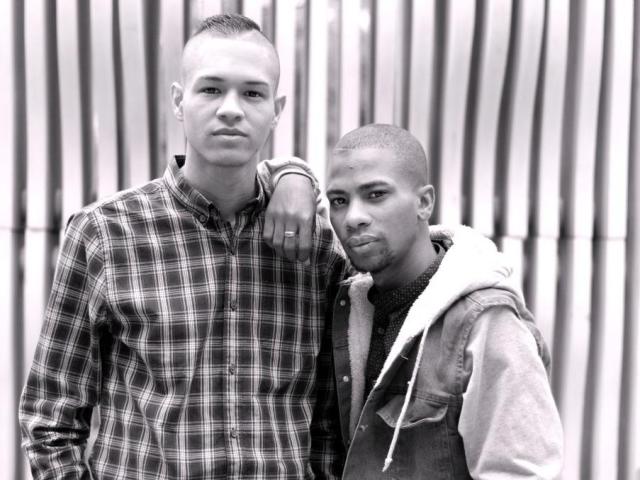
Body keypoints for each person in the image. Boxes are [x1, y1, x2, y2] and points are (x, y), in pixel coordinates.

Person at [19, 14, 347, 479]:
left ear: (277, 109)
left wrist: (296, 173)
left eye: (252, 93)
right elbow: (51, 419)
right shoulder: (104, 234)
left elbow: (331, 427)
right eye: (210, 89)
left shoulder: (317, 249)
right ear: (179, 100)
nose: (231, 109)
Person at [324, 124, 563, 478]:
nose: (353, 217)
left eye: (375, 194)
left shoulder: (485, 321)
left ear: (424, 203)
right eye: (339, 201)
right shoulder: (353, 310)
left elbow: (520, 471)